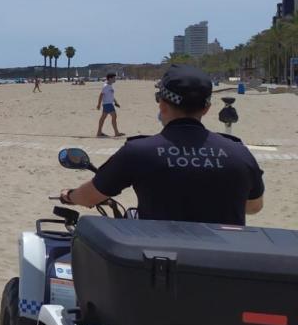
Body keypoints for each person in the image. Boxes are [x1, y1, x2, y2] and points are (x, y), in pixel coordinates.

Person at [60, 65, 264, 226]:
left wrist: (70, 196)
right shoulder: (239, 153)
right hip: (222, 271)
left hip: (161, 270)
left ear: (162, 104)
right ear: (207, 108)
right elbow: (254, 206)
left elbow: (89, 197)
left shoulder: (138, 152)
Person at [96, 72, 124, 137]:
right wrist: (98, 104)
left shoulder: (110, 85)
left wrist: (115, 102)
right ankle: (116, 133)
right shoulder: (106, 86)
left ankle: (99, 132)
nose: (115, 79)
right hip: (107, 104)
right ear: (110, 78)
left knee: (103, 118)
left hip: (109, 104)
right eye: (114, 78)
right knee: (114, 116)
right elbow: (101, 95)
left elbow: (111, 95)